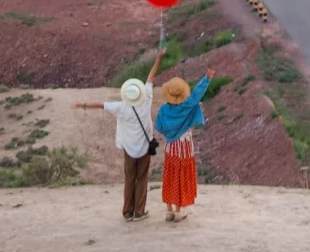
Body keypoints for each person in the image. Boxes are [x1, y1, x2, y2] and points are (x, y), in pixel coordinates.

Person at [76, 46, 165, 221]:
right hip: (145, 149)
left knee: (129, 179)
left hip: (129, 150)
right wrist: (158, 58)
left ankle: (127, 212)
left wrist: (83, 105)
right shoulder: (146, 100)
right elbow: (151, 77)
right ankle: (139, 212)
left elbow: (101, 105)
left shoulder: (121, 107)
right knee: (142, 180)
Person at [155, 68, 213, 222]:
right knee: (181, 176)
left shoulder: (163, 110)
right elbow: (196, 95)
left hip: (170, 148)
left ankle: (169, 210)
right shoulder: (186, 107)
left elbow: (159, 127)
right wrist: (206, 78)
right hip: (184, 147)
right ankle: (179, 210)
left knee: (170, 175)